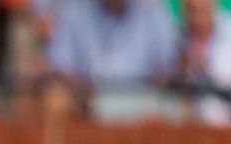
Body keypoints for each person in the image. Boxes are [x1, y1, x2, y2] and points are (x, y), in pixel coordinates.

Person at [46, 0, 180, 90]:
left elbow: (171, 64)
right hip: (88, 102)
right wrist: (80, 87)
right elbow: (59, 65)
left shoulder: (152, 13)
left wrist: (161, 78)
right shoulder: (75, 13)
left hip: (144, 102)